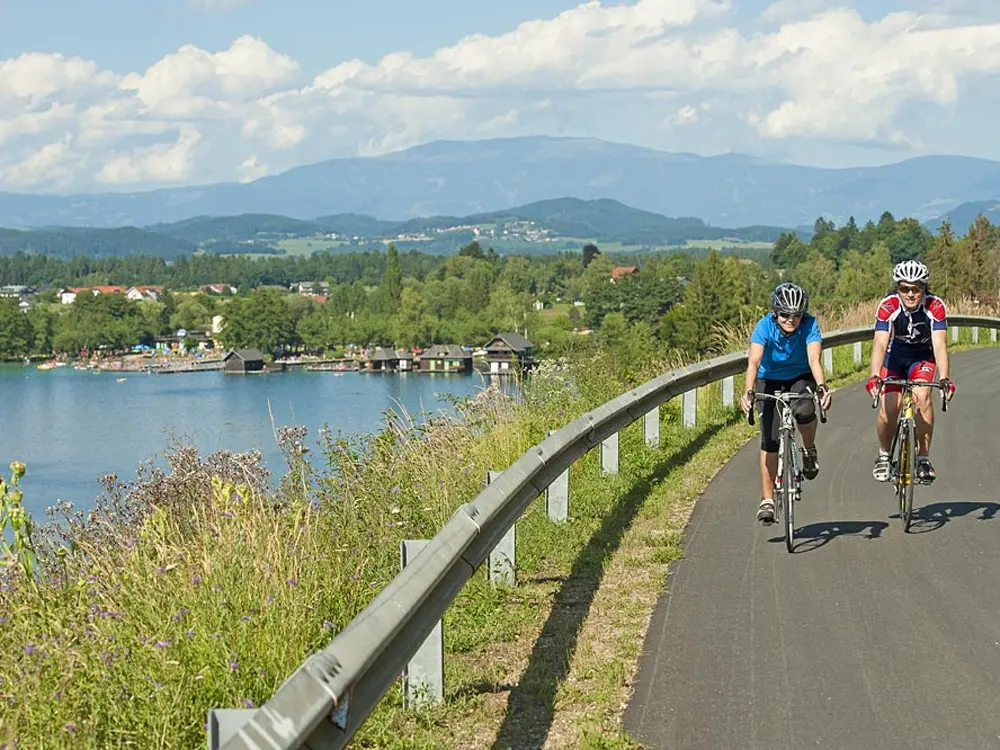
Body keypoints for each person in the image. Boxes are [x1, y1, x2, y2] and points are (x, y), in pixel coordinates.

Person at [740, 282, 832, 524]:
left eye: (797, 315)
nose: (791, 320)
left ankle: (809, 449)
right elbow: (754, 362)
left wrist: (822, 386)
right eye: (785, 315)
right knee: (769, 440)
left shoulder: (810, 325)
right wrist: (748, 391)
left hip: (800, 376)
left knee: (805, 411)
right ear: (775, 313)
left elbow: (814, 359)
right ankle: (767, 499)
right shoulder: (764, 326)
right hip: (768, 380)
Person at [865, 260, 955, 484]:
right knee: (890, 408)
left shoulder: (935, 306)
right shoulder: (888, 306)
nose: (911, 294)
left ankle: (923, 457)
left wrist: (944, 378)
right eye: (905, 288)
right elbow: (879, 343)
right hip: (894, 358)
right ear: (898, 288)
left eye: (917, 289)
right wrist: (875, 376)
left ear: (925, 288)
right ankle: (884, 455)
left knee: (923, 398)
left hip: (922, 359)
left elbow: (940, 345)